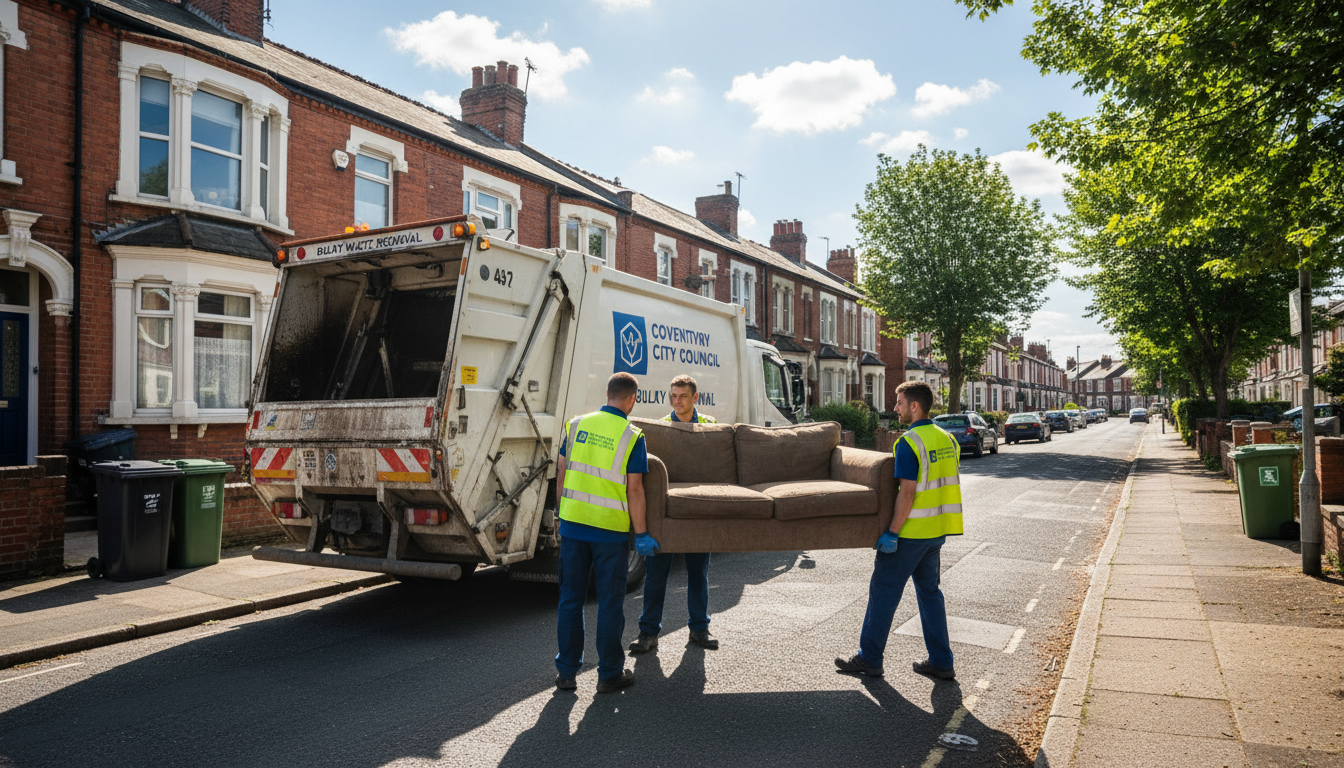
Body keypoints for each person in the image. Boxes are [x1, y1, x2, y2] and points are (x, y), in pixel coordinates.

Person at [835, 380, 962, 681]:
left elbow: (907, 492)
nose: (895, 408)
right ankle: (942, 661)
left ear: (914, 406)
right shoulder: (947, 439)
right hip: (937, 532)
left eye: (900, 403)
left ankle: (870, 659)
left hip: (909, 534)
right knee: (930, 594)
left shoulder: (908, 442)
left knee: (883, 594)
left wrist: (892, 532)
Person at [554, 372, 659, 693]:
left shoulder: (576, 425)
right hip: (609, 532)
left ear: (607, 393)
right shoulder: (631, 435)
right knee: (610, 603)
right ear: (632, 399)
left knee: (570, 599)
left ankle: (567, 673)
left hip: (573, 526)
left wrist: (561, 515)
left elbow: (561, 474)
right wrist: (641, 534)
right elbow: (636, 490)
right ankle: (609, 673)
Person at [629, 374, 719, 655]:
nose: (677, 401)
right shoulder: (660, 428)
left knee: (698, 574)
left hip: (697, 509)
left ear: (696, 398)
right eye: (673, 396)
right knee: (656, 574)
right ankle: (648, 633)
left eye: (683, 396)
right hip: (664, 513)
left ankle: (699, 629)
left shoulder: (710, 426)